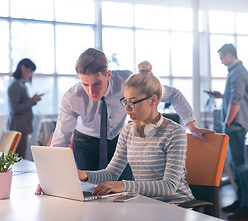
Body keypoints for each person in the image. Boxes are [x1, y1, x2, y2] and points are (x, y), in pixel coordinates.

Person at [38, 61, 195, 204]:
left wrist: (123, 185)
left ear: (153, 100)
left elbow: (169, 187)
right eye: (125, 102)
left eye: (132, 103)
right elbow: (111, 173)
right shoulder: (128, 132)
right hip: (145, 204)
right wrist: (83, 175)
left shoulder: (175, 133)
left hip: (178, 205)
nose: (126, 109)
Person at [51, 48, 213, 177]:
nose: (91, 91)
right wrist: (51, 178)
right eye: (85, 84)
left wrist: (192, 127)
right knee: (89, 189)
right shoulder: (72, 97)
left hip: (119, 140)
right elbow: (60, 142)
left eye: (97, 83)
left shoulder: (127, 82)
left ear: (108, 74)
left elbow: (174, 94)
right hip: (86, 143)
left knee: (126, 189)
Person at [208, 44, 248, 219]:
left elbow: (236, 100)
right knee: (235, 164)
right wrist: (222, 96)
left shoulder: (238, 72)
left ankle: (247, 206)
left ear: (229, 55)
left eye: (222, 58)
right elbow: (234, 95)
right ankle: (241, 201)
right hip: (235, 124)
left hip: (235, 124)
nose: (221, 62)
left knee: (240, 165)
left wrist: (227, 122)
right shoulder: (235, 72)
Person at [6, 58, 43, 158]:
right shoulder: (16, 84)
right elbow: (15, 108)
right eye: (30, 71)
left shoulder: (20, 84)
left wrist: (33, 101)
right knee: (18, 158)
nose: (31, 75)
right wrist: (32, 100)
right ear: (23, 67)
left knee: (19, 157)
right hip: (18, 128)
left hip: (21, 128)